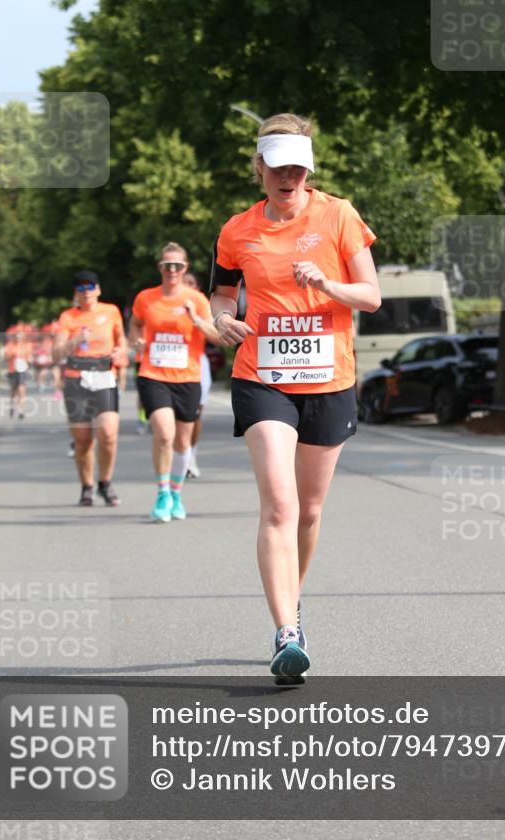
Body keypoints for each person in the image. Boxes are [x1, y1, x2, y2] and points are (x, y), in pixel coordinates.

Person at [210, 112, 380, 683]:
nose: (288, 178)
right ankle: (286, 631)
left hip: (329, 379)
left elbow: (372, 296)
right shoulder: (237, 230)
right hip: (263, 377)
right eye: (278, 167)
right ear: (258, 167)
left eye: (298, 168)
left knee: (309, 511)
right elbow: (222, 294)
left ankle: (293, 601)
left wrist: (326, 283)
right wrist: (219, 320)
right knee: (280, 505)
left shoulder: (339, 215)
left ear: (310, 169)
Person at [129, 243, 221, 522]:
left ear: (185, 268)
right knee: (165, 434)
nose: (172, 270)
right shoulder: (146, 298)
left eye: (177, 266)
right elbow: (134, 324)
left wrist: (195, 318)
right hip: (153, 375)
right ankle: (162, 492)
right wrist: (137, 341)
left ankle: (177, 493)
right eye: (167, 265)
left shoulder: (197, 299)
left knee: (182, 441)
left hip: (188, 378)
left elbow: (217, 336)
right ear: (160, 268)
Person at [53, 271, 127, 507]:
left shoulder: (111, 311)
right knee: (83, 440)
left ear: (98, 289)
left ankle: (105, 483)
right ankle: (87, 486)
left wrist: (120, 352)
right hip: (77, 380)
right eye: (81, 288)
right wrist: (74, 340)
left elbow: (121, 341)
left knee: (108, 434)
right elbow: (56, 354)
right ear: (76, 292)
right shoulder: (68, 317)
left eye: (90, 287)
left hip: (104, 376)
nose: (86, 292)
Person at [182, 271, 213, 478]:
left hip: (197, 364)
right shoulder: (165, 303)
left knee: (194, 416)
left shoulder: (200, 304)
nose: (187, 286)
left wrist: (195, 319)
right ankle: (179, 456)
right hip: (167, 368)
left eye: (191, 283)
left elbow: (216, 335)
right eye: (184, 283)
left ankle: (191, 455)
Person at [4, 326, 31, 419]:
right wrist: (12, 355)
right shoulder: (10, 345)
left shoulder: (26, 346)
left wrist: (27, 363)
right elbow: (6, 357)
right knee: (13, 391)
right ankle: (12, 406)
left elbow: (28, 358)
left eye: (20, 335)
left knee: (22, 390)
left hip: (22, 370)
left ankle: (21, 410)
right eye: (17, 335)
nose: (18, 337)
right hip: (12, 370)